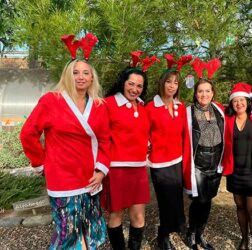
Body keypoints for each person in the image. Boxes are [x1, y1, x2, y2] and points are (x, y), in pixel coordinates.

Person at [20, 33, 110, 249]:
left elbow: (106, 140)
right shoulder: (52, 100)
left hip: (90, 179)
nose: (80, 77)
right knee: (67, 234)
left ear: (92, 78)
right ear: (67, 76)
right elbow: (28, 133)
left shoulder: (99, 105)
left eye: (85, 73)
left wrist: (101, 171)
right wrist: (41, 164)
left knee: (91, 231)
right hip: (62, 180)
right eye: (75, 72)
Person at [102, 51, 159, 250]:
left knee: (138, 215)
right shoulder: (108, 104)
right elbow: (100, 137)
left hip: (138, 169)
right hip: (116, 169)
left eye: (139, 86)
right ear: (122, 82)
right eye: (131, 83)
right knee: (116, 215)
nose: (135, 89)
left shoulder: (143, 107)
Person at [145, 54, 192, 250]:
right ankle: (162, 236)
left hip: (177, 161)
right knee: (165, 202)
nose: (172, 86)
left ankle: (174, 229)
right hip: (159, 163)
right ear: (162, 83)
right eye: (168, 82)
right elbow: (143, 133)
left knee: (176, 200)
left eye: (175, 83)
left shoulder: (181, 107)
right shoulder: (150, 107)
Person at [182, 58, 224, 250]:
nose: (204, 94)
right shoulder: (188, 112)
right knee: (199, 200)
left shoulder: (219, 110)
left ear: (213, 93)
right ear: (195, 93)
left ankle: (200, 234)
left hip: (216, 163)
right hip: (197, 164)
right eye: (200, 91)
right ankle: (191, 232)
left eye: (208, 91)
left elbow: (241, 111)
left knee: (208, 201)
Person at [222, 82, 252, 250]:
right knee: (240, 206)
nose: (239, 104)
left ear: (248, 101)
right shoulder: (227, 119)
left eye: (242, 100)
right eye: (235, 101)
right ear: (231, 103)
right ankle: (244, 239)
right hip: (234, 172)